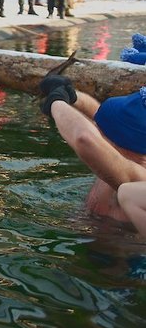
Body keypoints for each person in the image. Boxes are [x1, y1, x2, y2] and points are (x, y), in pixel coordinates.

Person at [39, 76, 146, 227]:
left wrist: (56, 102)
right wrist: (69, 93)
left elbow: (85, 138)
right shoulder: (126, 154)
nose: (98, 129)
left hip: (112, 248)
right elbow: (98, 115)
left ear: (119, 139)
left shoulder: (138, 182)